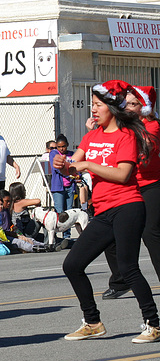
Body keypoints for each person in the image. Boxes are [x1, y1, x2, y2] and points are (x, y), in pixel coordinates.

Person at [53, 80, 160, 343]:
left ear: (112, 107)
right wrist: (62, 165)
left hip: (128, 206)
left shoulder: (126, 136)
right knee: (72, 264)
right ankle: (92, 322)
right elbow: (72, 165)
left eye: (98, 104)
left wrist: (87, 164)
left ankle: (153, 324)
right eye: (93, 104)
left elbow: (123, 175)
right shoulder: (92, 136)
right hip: (103, 210)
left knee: (127, 267)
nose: (94, 109)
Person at [101, 85, 160, 300]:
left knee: (150, 234)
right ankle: (121, 280)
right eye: (126, 103)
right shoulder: (121, 125)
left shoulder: (151, 126)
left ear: (144, 107)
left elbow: (143, 153)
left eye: (134, 104)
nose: (128, 107)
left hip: (151, 185)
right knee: (111, 233)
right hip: (129, 186)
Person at [49, 134, 75, 238]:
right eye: (59, 147)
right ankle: (55, 235)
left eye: (63, 146)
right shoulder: (54, 154)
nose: (61, 149)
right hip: (58, 187)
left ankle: (67, 235)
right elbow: (56, 168)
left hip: (70, 186)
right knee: (59, 211)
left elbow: (76, 166)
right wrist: (69, 170)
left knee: (69, 210)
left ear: (67, 145)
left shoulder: (72, 154)